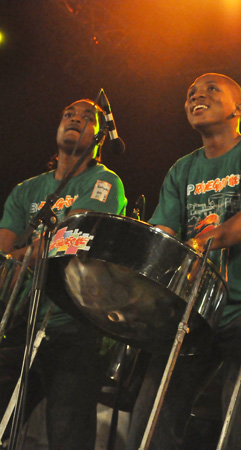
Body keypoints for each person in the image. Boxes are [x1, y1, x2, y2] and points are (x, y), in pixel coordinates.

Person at [125, 73, 241, 450]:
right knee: (152, 417)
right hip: (193, 309)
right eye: (190, 94)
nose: (197, 96)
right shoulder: (181, 169)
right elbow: (162, 234)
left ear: (239, 108)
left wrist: (198, 244)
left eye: (211, 89)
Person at [0, 99, 127, 449]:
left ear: (101, 137)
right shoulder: (27, 190)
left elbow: (67, 238)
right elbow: (3, 253)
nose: (76, 119)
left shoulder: (104, 182)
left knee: (67, 434)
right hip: (20, 322)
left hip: (74, 327)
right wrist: (21, 255)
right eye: (69, 114)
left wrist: (22, 254)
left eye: (89, 118)